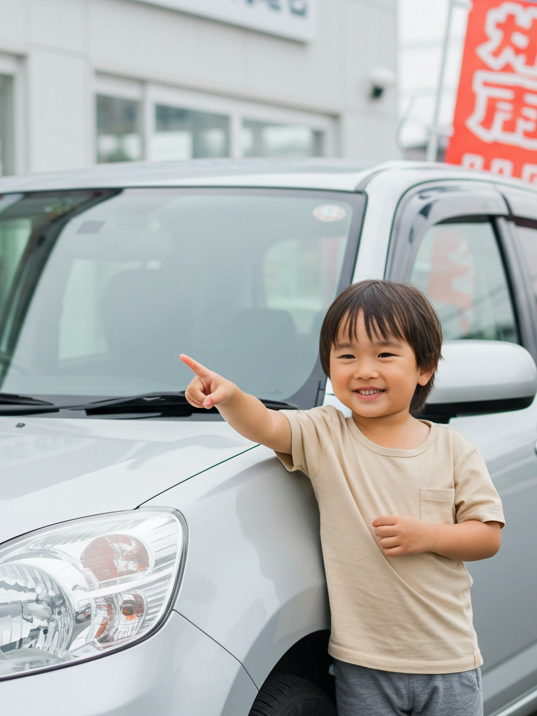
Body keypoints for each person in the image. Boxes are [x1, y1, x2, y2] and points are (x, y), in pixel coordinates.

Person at [180, 279, 504, 716]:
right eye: (347, 356)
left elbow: (487, 536)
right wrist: (230, 397)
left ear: (424, 367)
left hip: (447, 661)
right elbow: (266, 425)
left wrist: (427, 536)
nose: (364, 370)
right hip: (363, 664)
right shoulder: (326, 434)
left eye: (385, 355)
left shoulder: (453, 449)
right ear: (329, 367)